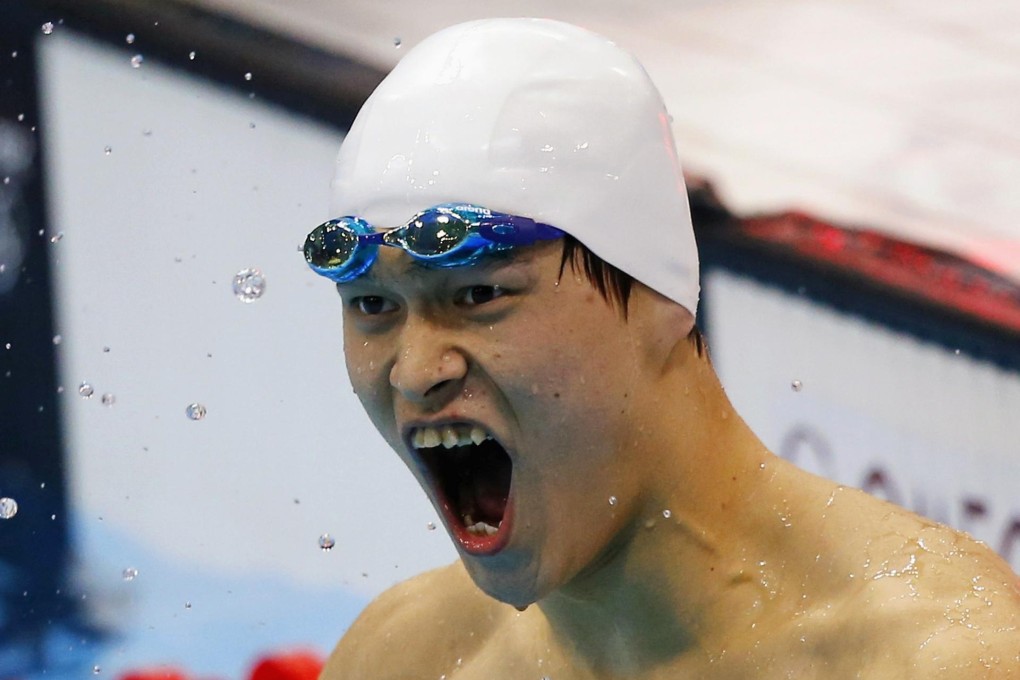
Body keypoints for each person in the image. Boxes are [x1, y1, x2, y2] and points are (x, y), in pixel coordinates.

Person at [305, 18, 1020, 679]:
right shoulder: (408, 658)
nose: (417, 371)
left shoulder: (931, 657)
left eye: (480, 296)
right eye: (372, 306)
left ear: (659, 297)